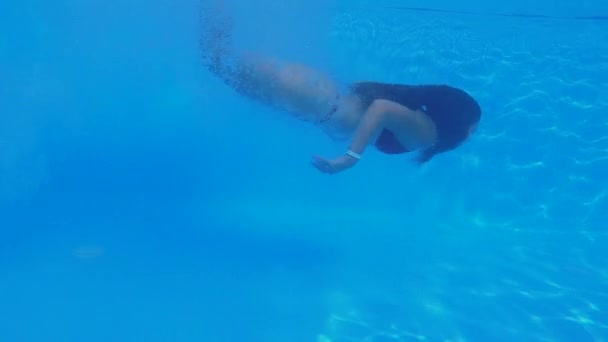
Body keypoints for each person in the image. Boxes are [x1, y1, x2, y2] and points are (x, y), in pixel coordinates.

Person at [200, 5, 481, 175]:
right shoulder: (428, 132)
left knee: (216, 59)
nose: (473, 133)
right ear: (456, 120)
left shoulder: (422, 123)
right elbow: (382, 108)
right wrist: (350, 158)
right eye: (473, 125)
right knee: (217, 56)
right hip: (312, 98)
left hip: (314, 97)